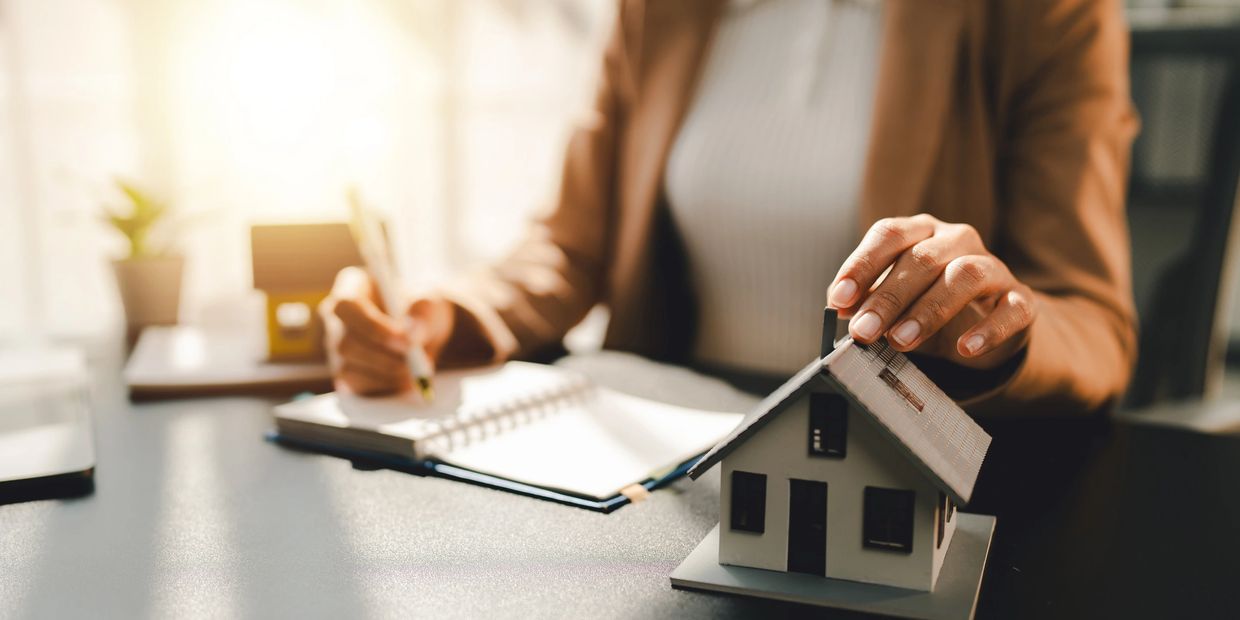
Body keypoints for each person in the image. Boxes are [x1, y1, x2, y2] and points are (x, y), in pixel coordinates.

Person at [321, 0, 1138, 417]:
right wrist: (443, 319)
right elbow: (570, 246)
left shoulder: (1042, 14)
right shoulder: (661, 13)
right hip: (669, 470)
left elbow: (1096, 322)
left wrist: (996, 323)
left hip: (915, 483)